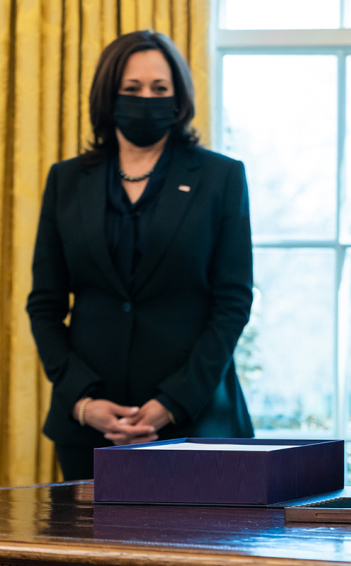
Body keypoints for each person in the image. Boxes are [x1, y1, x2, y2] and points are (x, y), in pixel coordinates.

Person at [27, 30, 254, 480]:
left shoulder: (220, 177)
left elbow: (233, 303)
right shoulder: (67, 180)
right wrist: (82, 401)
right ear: (108, 97)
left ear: (178, 98)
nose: (145, 98)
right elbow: (45, 305)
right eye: (131, 89)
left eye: (159, 89)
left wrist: (171, 403)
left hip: (197, 423)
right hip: (89, 430)